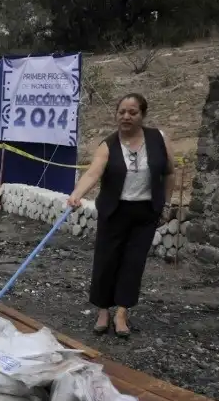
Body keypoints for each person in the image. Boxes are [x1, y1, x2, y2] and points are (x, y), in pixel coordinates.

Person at [67, 93, 175, 338]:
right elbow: (93, 173)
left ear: (142, 115)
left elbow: (169, 173)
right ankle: (103, 310)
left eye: (133, 112)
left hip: (146, 212)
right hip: (114, 211)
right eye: (122, 112)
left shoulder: (158, 139)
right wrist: (77, 193)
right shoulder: (108, 145)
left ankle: (122, 312)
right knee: (106, 261)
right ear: (116, 114)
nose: (126, 116)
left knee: (133, 262)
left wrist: (166, 204)